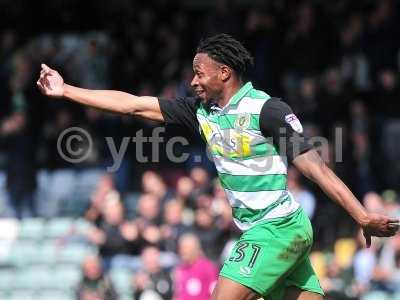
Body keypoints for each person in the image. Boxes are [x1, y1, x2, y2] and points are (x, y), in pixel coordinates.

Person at [37, 33, 399, 300]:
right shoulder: (201, 114)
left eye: (199, 73)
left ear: (224, 73)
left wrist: (361, 216)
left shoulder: (265, 110)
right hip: (273, 232)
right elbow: (133, 105)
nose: (193, 80)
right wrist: (67, 90)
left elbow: (317, 169)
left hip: (277, 226)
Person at [174, 233, 219, 300]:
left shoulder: (208, 268)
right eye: (181, 248)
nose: (183, 251)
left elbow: (215, 294)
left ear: (196, 249)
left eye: (186, 248)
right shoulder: (180, 269)